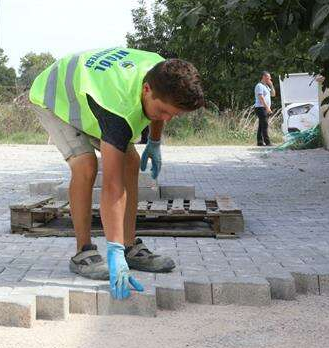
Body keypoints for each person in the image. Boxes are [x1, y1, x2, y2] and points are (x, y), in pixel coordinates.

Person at [29, 47, 204, 300]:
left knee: (130, 162)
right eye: (164, 112)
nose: (166, 118)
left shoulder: (160, 72)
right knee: (86, 166)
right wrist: (113, 252)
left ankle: (129, 245)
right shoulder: (118, 110)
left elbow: (161, 108)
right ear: (146, 90)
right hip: (54, 97)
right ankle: (84, 252)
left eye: (173, 115)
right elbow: (112, 187)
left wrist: (154, 141)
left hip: (92, 95)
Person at [253, 71, 276, 147]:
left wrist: (271, 85)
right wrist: (267, 108)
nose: (270, 78)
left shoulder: (266, 86)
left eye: (270, 77)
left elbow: (273, 94)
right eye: (268, 77)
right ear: (264, 77)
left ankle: (259, 142)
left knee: (261, 125)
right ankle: (267, 142)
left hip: (264, 108)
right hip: (260, 108)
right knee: (265, 124)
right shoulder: (259, 86)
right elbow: (261, 98)